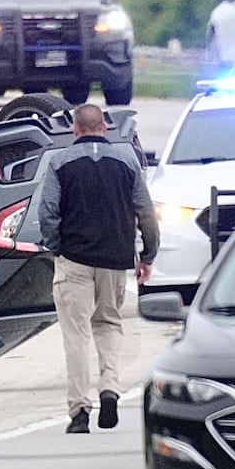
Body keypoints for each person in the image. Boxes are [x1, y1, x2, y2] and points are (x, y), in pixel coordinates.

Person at [36, 103, 160, 434]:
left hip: (74, 259)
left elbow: (47, 213)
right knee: (108, 326)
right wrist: (147, 255)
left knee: (76, 335)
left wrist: (56, 247)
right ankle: (110, 388)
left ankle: (79, 411)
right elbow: (146, 212)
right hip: (116, 260)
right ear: (103, 128)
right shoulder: (127, 161)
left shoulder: (59, 162)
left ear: (74, 130)